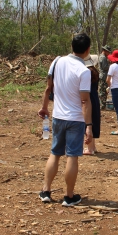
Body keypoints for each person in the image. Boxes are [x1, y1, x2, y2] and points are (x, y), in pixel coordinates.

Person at [38, 33, 93, 206]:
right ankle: (69, 196)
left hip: (58, 117)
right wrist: (89, 126)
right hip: (75, 119)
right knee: (72, 157)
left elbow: (48, 88)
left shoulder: (57, 62)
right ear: (88, 50)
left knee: (55, 153)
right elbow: (85, 101)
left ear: (72, 46)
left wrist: (45, 108)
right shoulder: (84, 71)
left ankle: (46, 191)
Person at [83, 54, 101, 155]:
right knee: (93, 120)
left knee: (87, 121)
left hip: (87, 97)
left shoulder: (86, 72)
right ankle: (93, 147)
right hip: (94, 97)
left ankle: (90, 148)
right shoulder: (95, 71)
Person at [98, 45, 112, 109]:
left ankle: (102, 104)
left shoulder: (102, 57)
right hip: (103, 76)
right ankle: (102, 105)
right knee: (103, 91)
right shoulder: (103, 57)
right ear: (105, 51)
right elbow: (105, 67)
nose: (109, 53)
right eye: (108, 52)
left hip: (103, 76)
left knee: (103, 91)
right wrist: (111, 66)